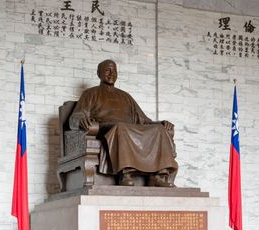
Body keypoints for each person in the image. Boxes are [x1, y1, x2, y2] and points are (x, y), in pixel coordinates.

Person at [69, 59, 178, 187]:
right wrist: (81, 119)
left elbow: (143, 120)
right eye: (108, 70)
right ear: (99, 73)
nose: (111, 74)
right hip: (108, 129)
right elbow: (76, 116)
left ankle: (158, 176)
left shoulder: (125, 96)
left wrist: (161, 123)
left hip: (128, 129)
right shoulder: (90, 94)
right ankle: (126, 174)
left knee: (159, 130)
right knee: (121, 127)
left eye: (114, 71)